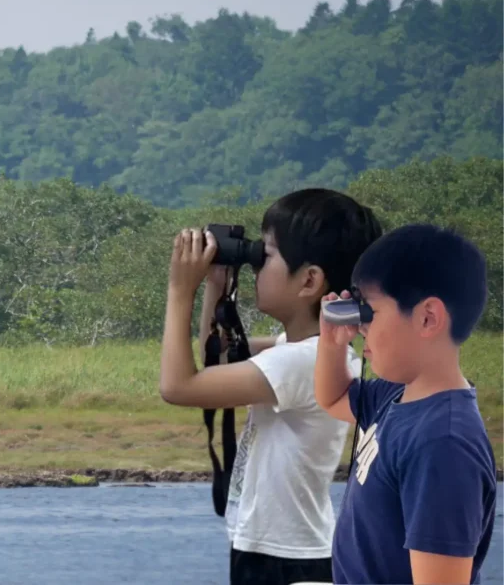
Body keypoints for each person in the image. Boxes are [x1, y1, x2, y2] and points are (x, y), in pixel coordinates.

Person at [159, 188, 383, 585]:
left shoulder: (302, 362)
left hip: (285, 560)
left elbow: (179, 386)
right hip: (282, 550)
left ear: (309, 280)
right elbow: (221, 355)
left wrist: (181, 291)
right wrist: (216, 284)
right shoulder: (305, 351)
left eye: (266, 255)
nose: (256, 264)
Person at [314, 223, 497, 584]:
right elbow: (333, 397)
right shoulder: (396, 394)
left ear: (427, 318)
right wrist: (331, 341)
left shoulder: (443, 444)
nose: (361, 326)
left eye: (370, 313)